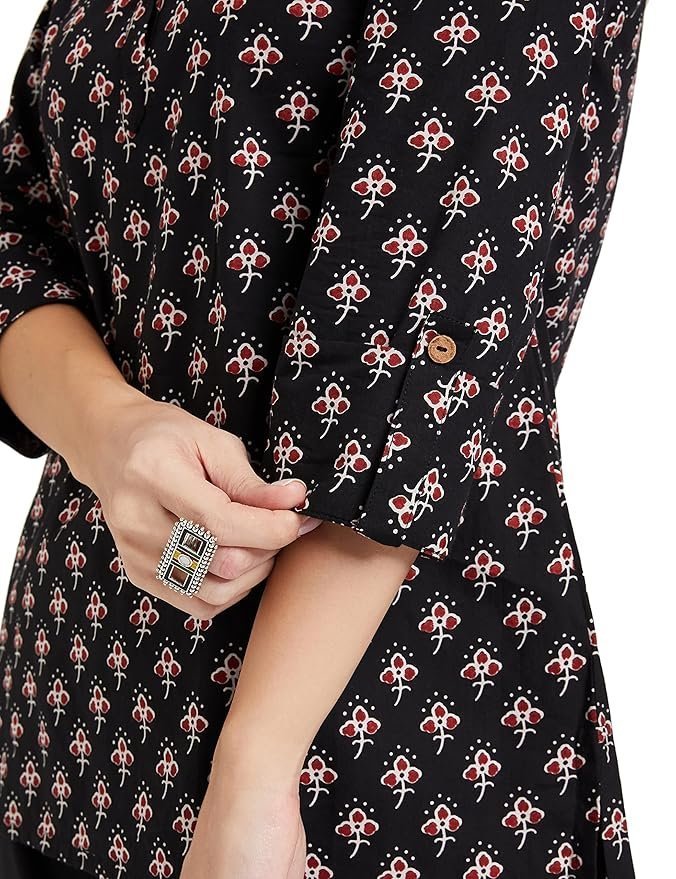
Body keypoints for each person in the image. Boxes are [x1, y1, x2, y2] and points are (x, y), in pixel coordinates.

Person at [0, 1, 647, 876]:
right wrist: (108, 433)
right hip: (69, 728)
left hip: (372, 758)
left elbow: (424, 330)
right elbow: (19, 230)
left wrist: (255, 769)